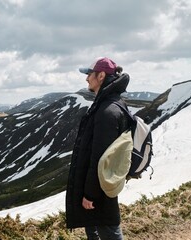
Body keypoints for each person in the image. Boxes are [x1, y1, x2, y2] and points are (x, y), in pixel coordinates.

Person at [66, 57, 130, 240]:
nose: (86, 78)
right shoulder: (110, 104)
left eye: (89, 74)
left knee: (109, 232)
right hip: (100, 184)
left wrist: (90, 194)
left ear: (101, 75)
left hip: (99, 188)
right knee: (96, 228)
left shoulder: (107, 111)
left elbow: (100, 157)